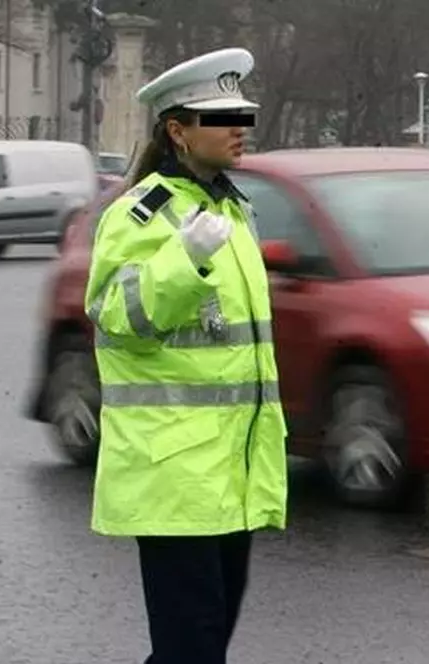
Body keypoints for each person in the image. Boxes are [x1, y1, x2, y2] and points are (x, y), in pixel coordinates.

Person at [83, 47, 287, 664]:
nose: (239, 130)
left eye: (244, 115)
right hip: (172, 474)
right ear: (177, 130)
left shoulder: (232, 209)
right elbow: (117, 316)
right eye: (222, 117)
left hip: (230, 472)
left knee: (202, 643)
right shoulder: (139, 214)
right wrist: (184, 259)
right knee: (192, 646)